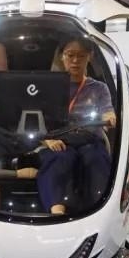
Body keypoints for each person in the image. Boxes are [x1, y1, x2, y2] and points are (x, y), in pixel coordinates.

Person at [35, 37, 116, 215]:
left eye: (81, 56)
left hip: (89, 140)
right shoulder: (48, 87)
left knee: (96, 157)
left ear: (89, 57)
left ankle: (100, 211)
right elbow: (35, 120)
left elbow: (107, 111)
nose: (75, 61)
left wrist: (109, 117)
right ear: (62, 56)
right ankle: (57, 213)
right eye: (70, 55)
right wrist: (47, 140)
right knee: (60, 157)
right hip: (58, 141)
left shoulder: (99, 88)